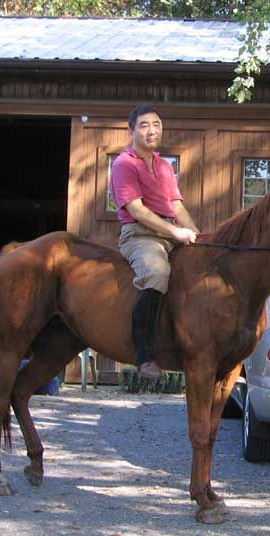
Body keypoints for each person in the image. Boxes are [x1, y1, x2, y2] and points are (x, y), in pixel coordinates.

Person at [110, 104, 199, 379]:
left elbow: (177, 207)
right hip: (139, 234)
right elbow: (136, 209)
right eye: (145, 125)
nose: (152, 130)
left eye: (157, 125)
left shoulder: (163, 165)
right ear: (132, 130)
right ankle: (145, 355)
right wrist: (174, 233)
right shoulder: (124, 164)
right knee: (157, 273)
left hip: (168, 232)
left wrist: (198, 236)